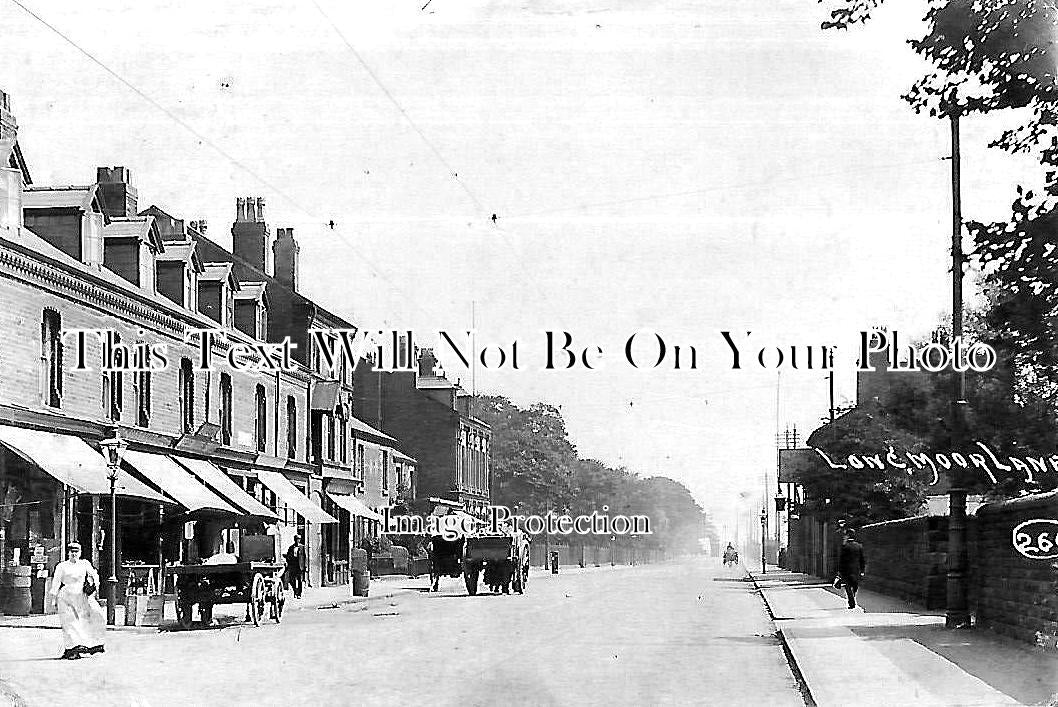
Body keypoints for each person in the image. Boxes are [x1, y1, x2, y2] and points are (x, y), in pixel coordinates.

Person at [48, 542, 106, 659]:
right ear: (68, 553)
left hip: (81, 596)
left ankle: (91, 645)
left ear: (80, 553)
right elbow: (56, 583)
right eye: (71, 552)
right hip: (66, 597)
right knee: (69, 623)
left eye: (76, 552)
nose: (74, 554)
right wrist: (53, 599)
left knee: (89, 619)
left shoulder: (84, 564)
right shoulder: (62, 566)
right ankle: (72, 649)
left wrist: (94, 586)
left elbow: (95, 575)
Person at [838, 529, 867, 609]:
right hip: (856, 570)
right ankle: (852, 597)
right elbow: (862, 559)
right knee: (855, 585)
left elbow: (841, 560)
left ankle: (851, 601)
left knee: (848, 587)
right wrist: (862, 570)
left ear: (847, 536)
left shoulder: (845, 547)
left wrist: (840, 571)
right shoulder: (859, 546)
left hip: (846, 570)